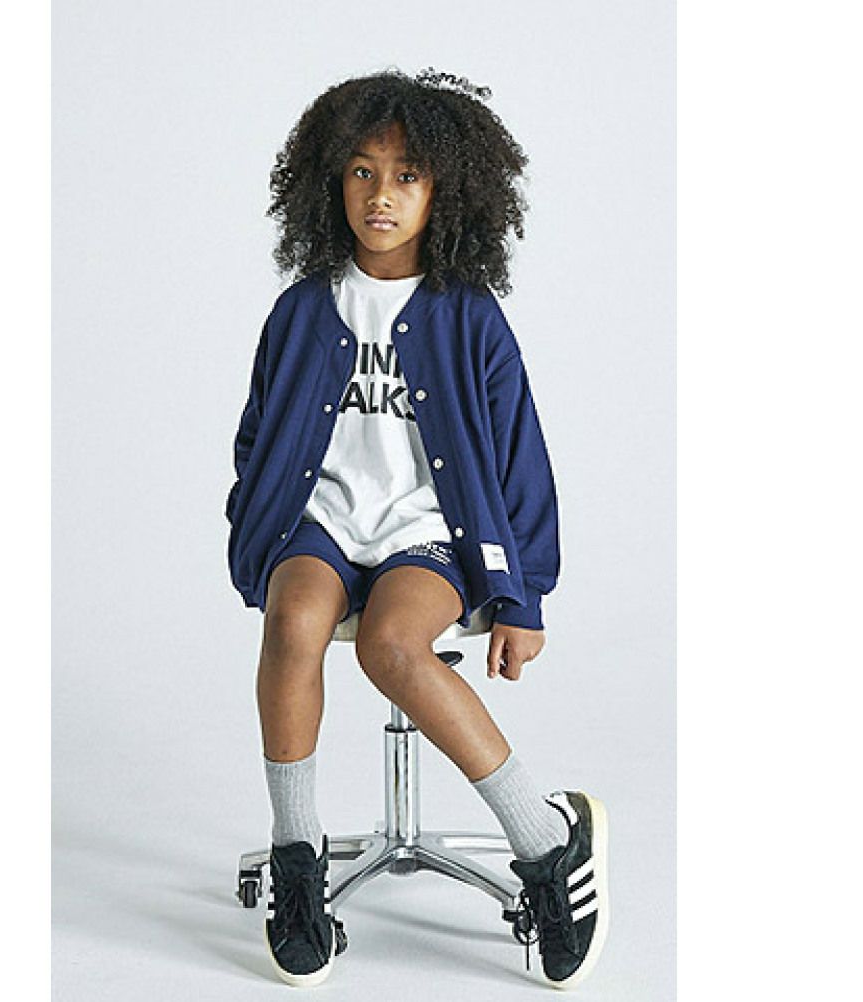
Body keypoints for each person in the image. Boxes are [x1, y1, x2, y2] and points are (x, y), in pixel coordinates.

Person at [224, 67, 609, 990]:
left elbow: (520, 458)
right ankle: (297, 861)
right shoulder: (301, 310)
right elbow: (257, 435)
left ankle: (546, 842)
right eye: (362, 171)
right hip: (321, 522)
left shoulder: (469, 318)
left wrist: (523, 596)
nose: (381, 195)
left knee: (392, 646)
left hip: (430, 531)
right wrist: (258, 522)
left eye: (406, 176)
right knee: (293, 621)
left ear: (445, 192)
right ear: (331, 182)